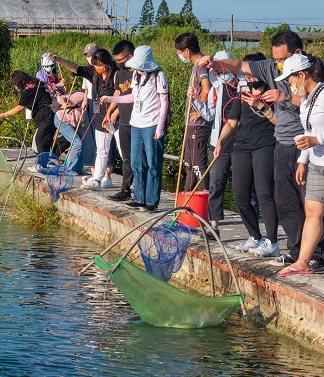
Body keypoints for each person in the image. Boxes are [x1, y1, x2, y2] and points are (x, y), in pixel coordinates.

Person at [198, 30, 324, 271]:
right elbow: (240, 65)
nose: (277, 65)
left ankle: (318, 253)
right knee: (285, 200)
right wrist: (215, 63)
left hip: (308, 142)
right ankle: (295, 250)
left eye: (281, 60)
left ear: (297, 53)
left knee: (311, 201)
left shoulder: (316, 70)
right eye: (275, 59)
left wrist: (285, 96)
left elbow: (322, 100)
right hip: (282, 141)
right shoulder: (270, 68)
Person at [272, 53, 324, 279]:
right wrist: (302, 160)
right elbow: (308, 132)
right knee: (312, 211)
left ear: (302, 75)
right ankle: (302, 261)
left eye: (290, 79)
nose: (290, 85)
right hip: (317, 161)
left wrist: (317, 141)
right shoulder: (307, 100)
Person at [213, 52, 279, 256]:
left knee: (264, 193)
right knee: (240, 195)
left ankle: (272, 240)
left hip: (265, 145)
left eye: (252, 76)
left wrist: (260, 106)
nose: (250, 80)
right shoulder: (242, 94)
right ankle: (255, 236)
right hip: (241, 146)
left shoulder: (273, 94)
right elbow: (232, 122)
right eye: (247, 77)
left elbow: (279, 121)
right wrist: (220, 143)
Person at [100, 44, 170, 211]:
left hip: (152, 123)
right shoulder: (136, 76)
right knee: (137, 163)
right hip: (136, 123)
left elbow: (164, 102)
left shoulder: (158, 76)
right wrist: (112, 99)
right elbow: (132, 96)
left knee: (153, 163)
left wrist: (160, 127)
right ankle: (139, 197)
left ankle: (152, 201)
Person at [53, 48, 119, 189]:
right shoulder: (94, 73)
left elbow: (121, 95)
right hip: (98, 109)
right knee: (99, 146)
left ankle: (118, 179)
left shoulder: (116, 74)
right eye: (94, 64)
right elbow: (76, 68)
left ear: (107, 63)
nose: (96, 68)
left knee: (115, 146)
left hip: (114, 112)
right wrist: (60, 60)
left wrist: (112, 113)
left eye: (99, 64)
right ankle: (97, 178)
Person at [190, 50, 239, 233]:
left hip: (239, 143)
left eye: (221, 70)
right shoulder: (216, 88)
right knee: (215, 183)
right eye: (216, 71)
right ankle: (214, 225)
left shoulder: (240, 87)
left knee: (243, 189)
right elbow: (211, 114)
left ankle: (255, 235)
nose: (219, 74)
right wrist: (195, 99)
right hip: (217, 141)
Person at [174, 32, 212, 192]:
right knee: (189, 162)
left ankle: (203, 195)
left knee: (197, 163)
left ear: (187, 51)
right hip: (191, 124)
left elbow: (207, 88)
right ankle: (189, 192)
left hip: (199, 124)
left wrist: (200, 112)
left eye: (179, 51)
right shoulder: (196, 67)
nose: (179, 55)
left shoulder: (202, 66)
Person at [0, 70, 56, 159]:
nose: (15, 87)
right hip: (49, 114)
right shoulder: (37, 84)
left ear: (19, 82)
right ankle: (48, 161)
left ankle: (43, 165)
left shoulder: (28, 91)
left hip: (46, 116)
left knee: (40, 140)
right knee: (45, 140)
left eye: (15, 85)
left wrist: (5, 114)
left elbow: (19, 108)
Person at [105, 40, 136, 201]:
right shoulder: (120, 73)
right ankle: (125, 190)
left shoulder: (139, 72)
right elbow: (118, 94)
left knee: (139, 158)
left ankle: (139, 189)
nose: (119, 63)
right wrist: (110, 111)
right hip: (123, 120)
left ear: (130, 55)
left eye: (121, 60)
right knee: (126, 158)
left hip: (138, 121)